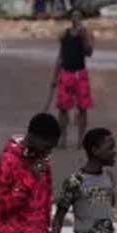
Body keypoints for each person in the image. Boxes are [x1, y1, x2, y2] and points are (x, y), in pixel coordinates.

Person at [48, 9, 94, 149]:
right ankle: (63, 139)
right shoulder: (64, 34)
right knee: (63, 108)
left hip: (80, 74)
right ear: (70, 18)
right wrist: (55, 77)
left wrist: (84, 36)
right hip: (66, 73)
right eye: (74, 16)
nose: (76, 18)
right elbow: (60, 56)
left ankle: (80, 140)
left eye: (78, 16)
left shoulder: (85, 33)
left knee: (82, 108)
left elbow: (89, 52)